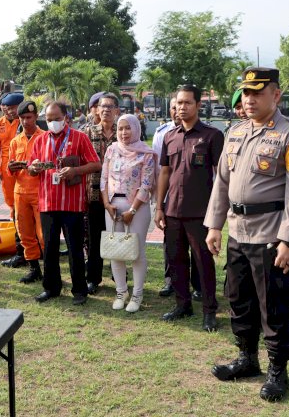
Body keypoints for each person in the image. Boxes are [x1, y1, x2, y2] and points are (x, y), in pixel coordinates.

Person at [205, 67, 289, 402]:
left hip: (271, 235)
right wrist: (214, 224)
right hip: (238, 232)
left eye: (257, 93)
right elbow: (222, 182)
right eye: (246, 93)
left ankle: (277, 371)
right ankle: (246, 359)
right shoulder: (236, 132)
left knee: (274, 306)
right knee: (239, 301)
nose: (249, 100)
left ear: (275, 95)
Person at [155, 84, 223, 332]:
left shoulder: (212, 136)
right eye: (179, 103)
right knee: (176, 260)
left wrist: (217, 214)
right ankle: (182, 305)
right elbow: (164, 172)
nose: (182, 107)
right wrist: (159, 206)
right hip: (172, 211)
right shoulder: (169, 136)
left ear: (198, 105)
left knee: (204, 262)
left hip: (200, 212)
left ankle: (209, 310)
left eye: (187, 103)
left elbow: (221, 176)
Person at [28, 101, 101, 305]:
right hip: (48, 203)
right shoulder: (40, 140)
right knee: (49, 248)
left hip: (73, 204)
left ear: (66, 118)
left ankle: (79, 290)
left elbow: (96, 163)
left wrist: (75, 171)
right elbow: (31, 168)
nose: (52, 123)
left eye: (57, 119)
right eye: (49, 120)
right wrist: (33, 168)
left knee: (75, 249)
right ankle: (51, 288)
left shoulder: (80, 137)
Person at [101, 114, 156, 311]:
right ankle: (121, 291)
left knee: (136, 252)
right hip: (113, 207)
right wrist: (107, 204)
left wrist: (132, 210)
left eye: (128, 128)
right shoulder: (111, 150)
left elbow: (147, 183)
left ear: (136, 128)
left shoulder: (146, 153)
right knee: (115, 251)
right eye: (121, 128)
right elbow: (104, 178)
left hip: (137, 208)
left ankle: (137, 295)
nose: (124, 133)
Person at [152, 97, 203, 299]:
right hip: (170, 198)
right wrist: (159, 203)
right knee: (172, 246)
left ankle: (199, 286)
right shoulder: (163, 134)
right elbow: (161, 169)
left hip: (196, 201)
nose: (178, 110)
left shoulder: (207, 135)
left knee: (198, 248)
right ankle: (172, 283)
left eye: (182, 105)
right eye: (174, 107)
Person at [83, 92, 120, 294]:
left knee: (117, 234)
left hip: (118, 194)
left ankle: (118, 275)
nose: (105, 110)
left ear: (117, 111)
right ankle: (93, 278)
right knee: (94, 237)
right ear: (96, 109)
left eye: (110, 106)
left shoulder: (123, 132)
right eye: (102, 106)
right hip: (94, 193)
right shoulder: (87, 132)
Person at [8, 100, 46, 283]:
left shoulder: (46, 138)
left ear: (36, 116)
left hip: (41, 192)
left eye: (29, 117)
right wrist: (11, 167)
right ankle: (34, 269)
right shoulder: (15, 142)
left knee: (43, 234)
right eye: (22, 118)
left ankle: (50, 269)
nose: (25, 121)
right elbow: (10, 168)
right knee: (25, 233)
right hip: (20, 192)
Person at [0, 92, 26, 268]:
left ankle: (34, 247)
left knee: (28, 207)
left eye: (13, 108)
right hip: (7, 173)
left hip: (24, 172)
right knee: (13, 208)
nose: (10, 111)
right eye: (8, 107)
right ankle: (19, 247)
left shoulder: (25, 122)